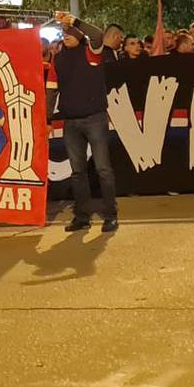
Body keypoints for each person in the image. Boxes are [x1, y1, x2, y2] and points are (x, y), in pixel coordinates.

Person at [52, 12, 118, 233]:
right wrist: (46, 120)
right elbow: (51, 90)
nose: (66, 34)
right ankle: (82, 217)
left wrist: (75, 21)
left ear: (80, 34)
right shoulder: (58, 59)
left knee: (103, 169)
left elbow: (98, 34)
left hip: (95, 118)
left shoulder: (92, 52)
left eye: (70, 31)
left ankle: (111, 215)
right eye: (64, 31)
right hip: (71, 121)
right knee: (77, 172)